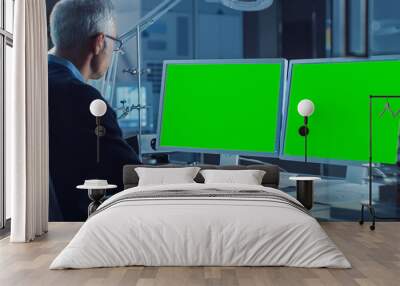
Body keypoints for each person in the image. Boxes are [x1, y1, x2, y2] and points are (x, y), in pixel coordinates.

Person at [48, 0, 140, 221]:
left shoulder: (25, 78)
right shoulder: (82, 99)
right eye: (114, 42)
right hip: (76, 226)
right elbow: (133, 176)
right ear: (99, 42)